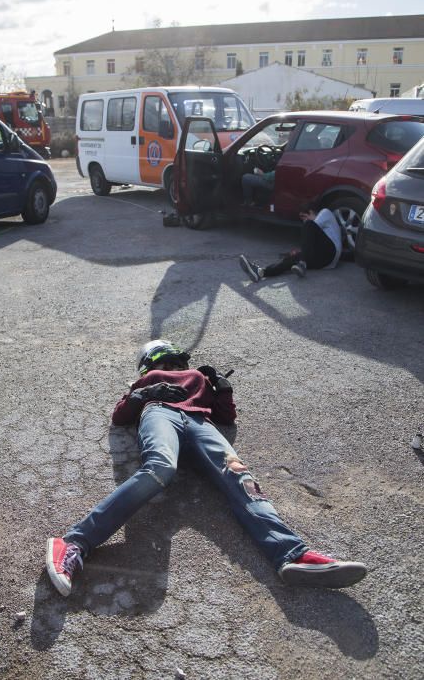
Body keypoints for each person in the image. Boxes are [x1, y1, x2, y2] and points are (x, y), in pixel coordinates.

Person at [46, 340, 367, 597]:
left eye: (176, 360)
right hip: (160, 413)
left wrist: (223, 387)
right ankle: (74, 542)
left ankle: (292, 554)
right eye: (165, 361)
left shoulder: (198, 377)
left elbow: (226, 416)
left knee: (240, 476)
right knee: (160, 468)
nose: (173, 365)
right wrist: (146, 393)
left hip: (201, 421)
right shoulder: (146, 381)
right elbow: (120, 416)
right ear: (151, 363)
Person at [239, 207, 343, 281]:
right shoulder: (318, 229)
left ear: (311, 211)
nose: (304, 220)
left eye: (304, 216)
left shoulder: (325, 212)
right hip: (325, 262)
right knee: (291, 259)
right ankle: (261, 272)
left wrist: (302, 250)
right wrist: (299, 253)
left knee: (308, 225)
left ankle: (302, 262)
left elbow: (311, 227)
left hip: (331, 252)